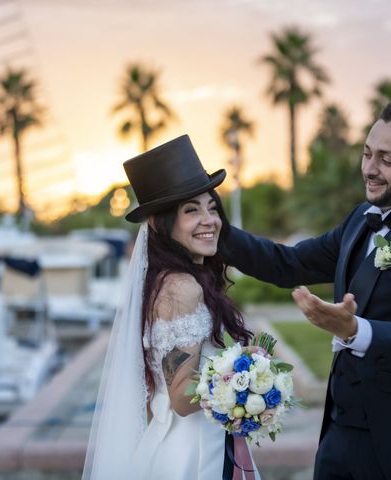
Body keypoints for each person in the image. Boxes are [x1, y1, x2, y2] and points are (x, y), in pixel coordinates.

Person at [222, 102, 391, 479]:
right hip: (340, 438)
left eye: (386, 159)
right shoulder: (359, 221)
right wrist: (212, 223)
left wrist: (352, 329)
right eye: (366, 153)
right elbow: (288, 264)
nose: (369, 169)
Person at [82, 134, 260, 480]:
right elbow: (180, 396)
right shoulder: (182, 288)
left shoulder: (165, 282)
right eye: (191, 211)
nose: (209, 220)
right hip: (196, 457)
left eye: (212, 207)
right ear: (160, 224)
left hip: (176, 444)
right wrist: (247, 379)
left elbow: (158, 394)